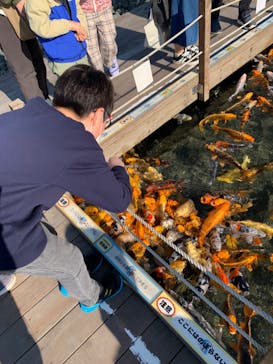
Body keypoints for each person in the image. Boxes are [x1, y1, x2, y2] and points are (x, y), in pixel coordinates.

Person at [0, 65, 132, 311]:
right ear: (97, 114)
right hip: (5, 237)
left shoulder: (31, 111)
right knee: (70, 261)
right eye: (106, 119)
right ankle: (92, 297)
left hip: (7, 206)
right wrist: (117, 168)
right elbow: (119, 200)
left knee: (46, 228)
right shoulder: (77, 145)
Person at [25, 0, 89, 77]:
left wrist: (83, 29)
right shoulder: (35, 2)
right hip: (63, 59)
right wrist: (70, 25)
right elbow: (42, 27)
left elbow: (78, 10)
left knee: (89, 84)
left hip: (81, 51)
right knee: (71, 87)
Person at [0, 0, 49, 100]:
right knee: (23, 68)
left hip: (22, 10)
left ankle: (44, 99)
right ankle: (39, 108)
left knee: (37, 61)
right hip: (4, 16)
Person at [79, 0, 119, 76]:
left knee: (109, 43)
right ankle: (99, 75)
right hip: (85, 12)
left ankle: (110, 60)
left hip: (104, 8)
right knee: (91, 49)